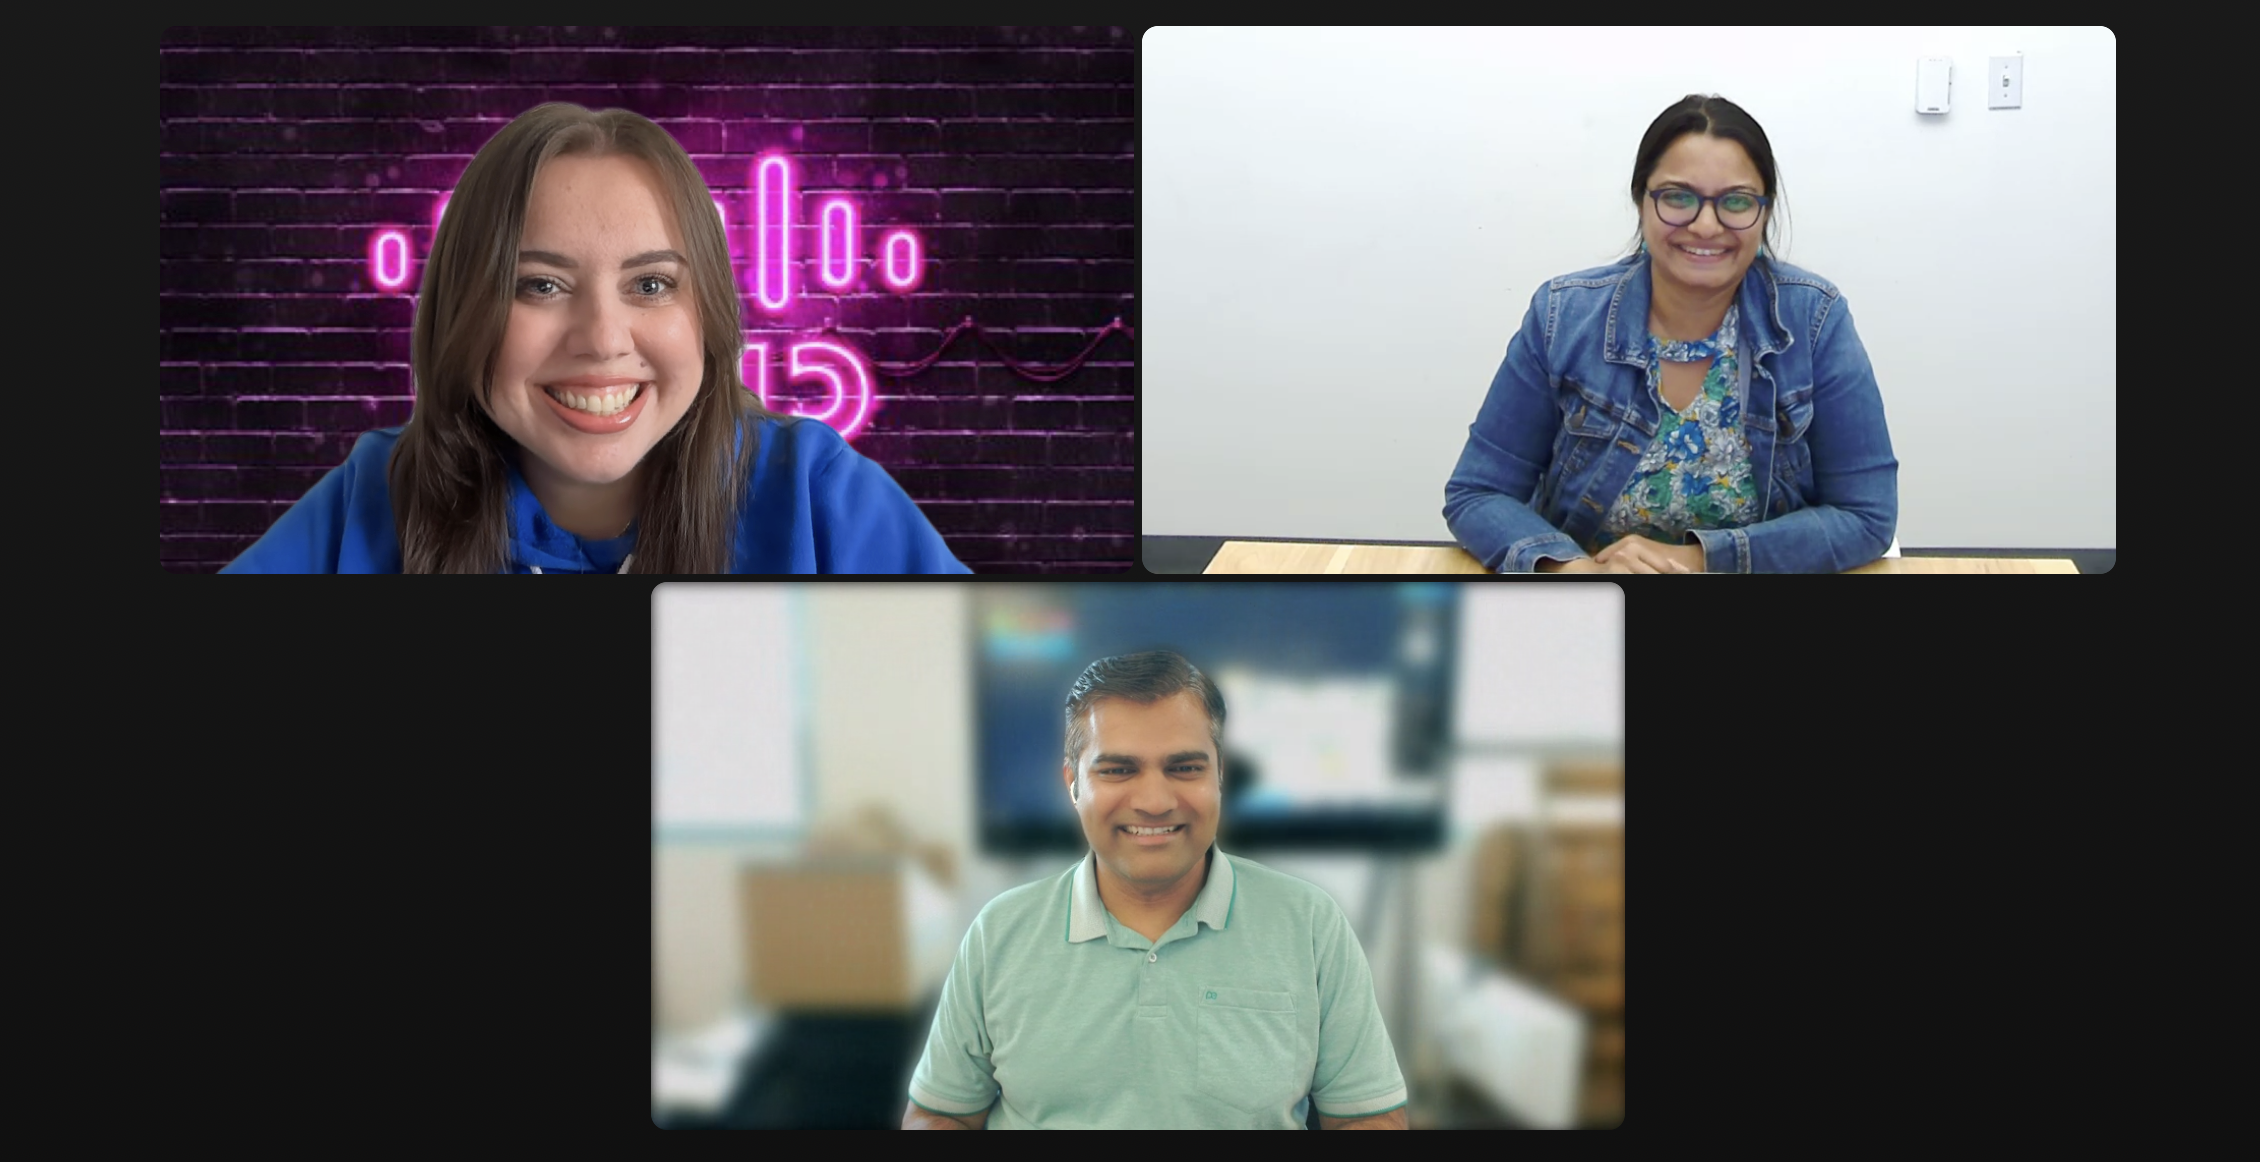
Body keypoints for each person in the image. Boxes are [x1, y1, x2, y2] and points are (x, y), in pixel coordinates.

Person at [222, 103, 969, 573]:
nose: (604, 339)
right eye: (540, 285)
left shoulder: (818, 494)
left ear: (706, 313)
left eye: (651, 285)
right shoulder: (375, 498)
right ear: (466, 310)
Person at [903, 651, 1409, 1130]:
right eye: (1118, 770)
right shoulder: (1000, 932)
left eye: (1184, 768)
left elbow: (1367, 1115)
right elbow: (940, 1113)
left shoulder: (1311, 924)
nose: (1152, 800)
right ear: (1072, 784)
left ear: (1220, 778)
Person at [1444, 94, 1897, 573]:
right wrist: (1569, 572)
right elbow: (1478, 491)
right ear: (1641, 201)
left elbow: (1866, 515)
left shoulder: (1813, 319)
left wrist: (1698, 560)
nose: (1705, 225)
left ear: (1763, 213)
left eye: (1736, 202)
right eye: (1678, 197)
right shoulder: (1563, 314)